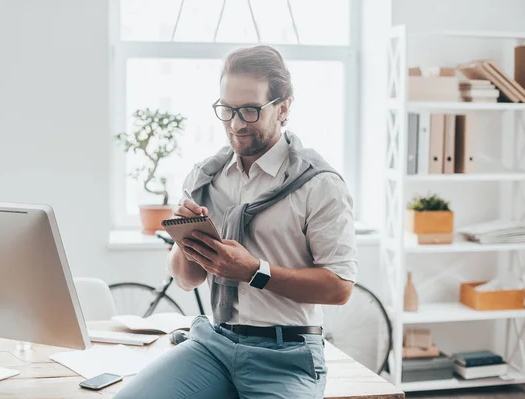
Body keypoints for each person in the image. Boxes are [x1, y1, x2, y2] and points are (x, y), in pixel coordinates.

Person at [114, 45, 358, 399]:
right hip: (214, 345)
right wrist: (187, 243)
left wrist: (254, 271)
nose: (236, 124)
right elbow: (187, 279)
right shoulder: (205, 179)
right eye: (227, 110)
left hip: (286, 354)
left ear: (284, 107)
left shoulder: (319, 184)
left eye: (250, 110)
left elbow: (339, 287)